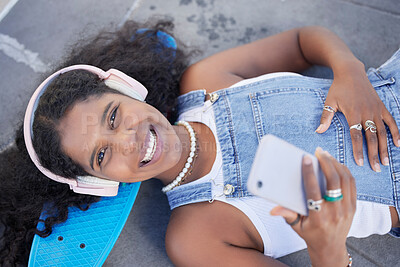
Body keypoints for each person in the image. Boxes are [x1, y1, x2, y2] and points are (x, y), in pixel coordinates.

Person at [1, 19, 399, 266]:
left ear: (127, 89)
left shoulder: (204, 82)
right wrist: (326, 248)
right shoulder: (194, 236)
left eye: (113, 116)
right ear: (95, 183)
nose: (128, 141)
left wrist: (350, 73)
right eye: (102, 155)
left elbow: (302, 41)